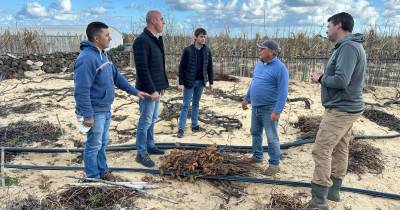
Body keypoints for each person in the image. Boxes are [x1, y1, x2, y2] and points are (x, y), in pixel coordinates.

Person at [74, 21, 149, 180]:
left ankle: (103, 170)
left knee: (102, 143)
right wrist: (88, 115)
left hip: (105, 108)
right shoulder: (87, 59)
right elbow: (81, 90)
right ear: (96, 38)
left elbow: (116, 77)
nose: (110, 39)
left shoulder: (103, 55)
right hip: (94, 111)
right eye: (107, 35)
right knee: (93, 145)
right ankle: (92, 176)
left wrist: (134, 91)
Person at [309, 12, 366, 210]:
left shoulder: (348, 47)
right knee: (341, 147)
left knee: (321, 150)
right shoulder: (350, 46)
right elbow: (343, 76)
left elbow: (342, 81)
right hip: (349, 107)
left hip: (341, 109)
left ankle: (319, 200)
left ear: (338, 25)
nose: (326, 29)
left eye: (329, 25)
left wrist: (320, 78)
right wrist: (325, 75)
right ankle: (334, 192)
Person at [242, 40, 289, 176]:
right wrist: (247, 98)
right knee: (255, 132)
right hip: (256, 107)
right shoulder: (259, 65)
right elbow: (254, 83)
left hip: (269, 108)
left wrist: (277, 110)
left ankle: (274, 165)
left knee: (271, 137)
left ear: (271, 52)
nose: (259, 51)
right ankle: (257, 156)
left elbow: (283, 92)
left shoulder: (281, 69)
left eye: (262, 49)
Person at [133, 10, 169, 167]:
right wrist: (152, 89)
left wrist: (160, 86)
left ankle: (150, 145)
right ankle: (141, 153)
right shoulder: (141, 41)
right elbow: (142, 69)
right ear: (154, 20)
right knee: (145, 121)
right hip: (148, 90)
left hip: (155, 88)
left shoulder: (154, 39)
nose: (163, 22)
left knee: (152, 119)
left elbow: (157, 66)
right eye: (162, 19)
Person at [177, 28, 214, 138]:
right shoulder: (188, 50)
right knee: (185, 105)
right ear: (195, 37)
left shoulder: (207, 51)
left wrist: (211, 82)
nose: (203, 39)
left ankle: (194, 125)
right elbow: (181, 67)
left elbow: (210, 67)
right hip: (189, 82)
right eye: (201, 36)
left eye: (204, 37)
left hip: (201, 82)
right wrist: (181, 82)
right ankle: (181, 129)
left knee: (196, 104)